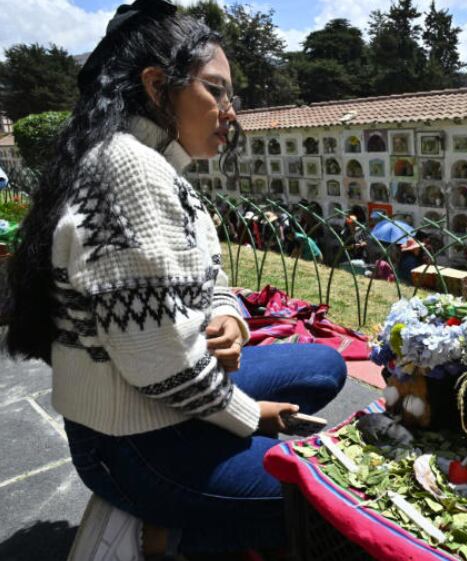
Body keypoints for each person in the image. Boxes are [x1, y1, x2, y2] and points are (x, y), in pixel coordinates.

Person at [0, 1, 347, 559]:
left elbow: (208, 271)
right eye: (216, 91)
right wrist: (247, 416)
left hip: (163, 401)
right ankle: (162, 532)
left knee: (322, 365)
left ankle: (206, 476)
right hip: (133, 443)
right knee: (323, 500)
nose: (230, 112)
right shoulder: (127, 171)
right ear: (158, 85)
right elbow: (157, 365)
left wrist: (229, 312)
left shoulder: (156, 164)